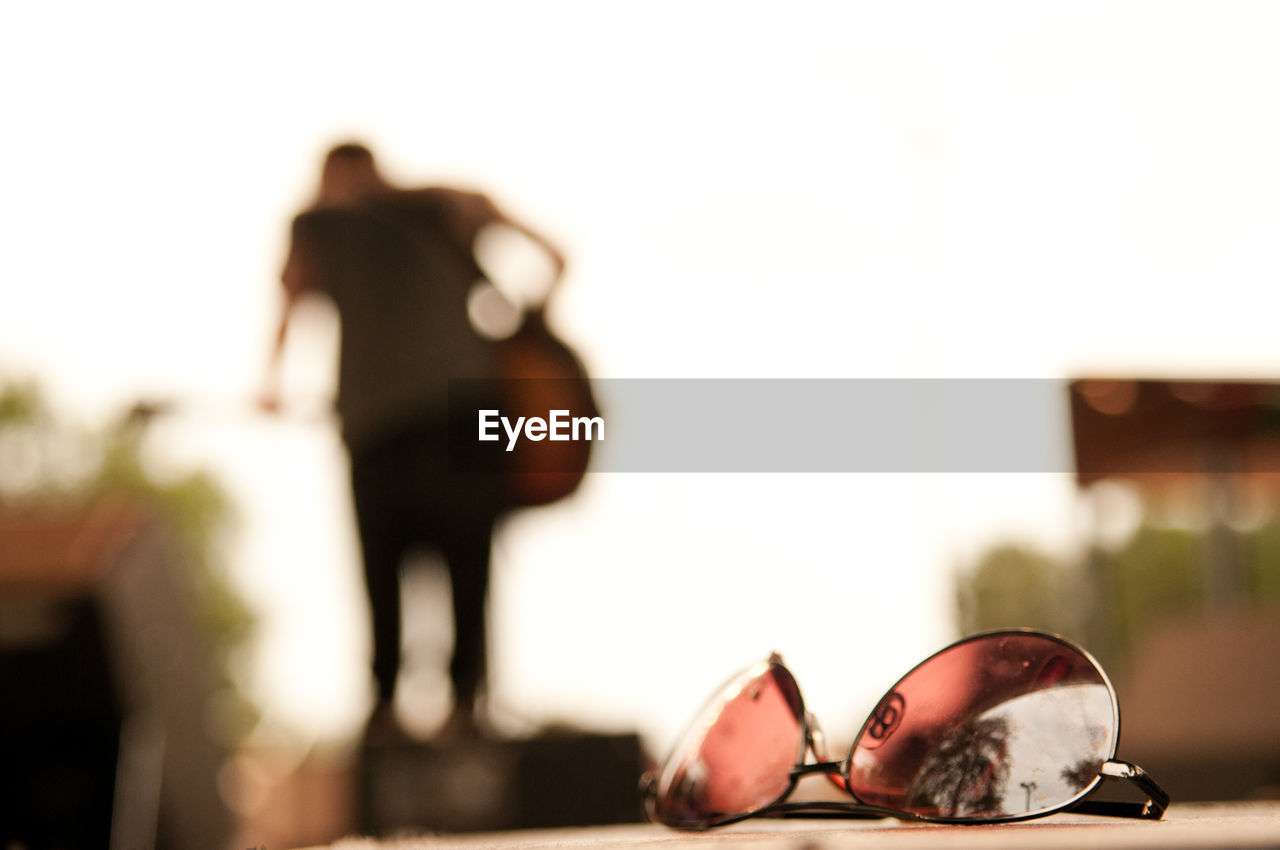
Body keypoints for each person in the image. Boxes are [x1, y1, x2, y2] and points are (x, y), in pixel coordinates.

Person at [261, 142, 565, 742]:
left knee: (402, 572)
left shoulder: (334, 222)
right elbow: (556, 259)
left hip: (413, 423)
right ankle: (448, 710)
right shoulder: (445, 207)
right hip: (445, 416)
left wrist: (271, 381)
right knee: (454, 566)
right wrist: (526, 326)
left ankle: (415, 713)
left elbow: (292, 295)